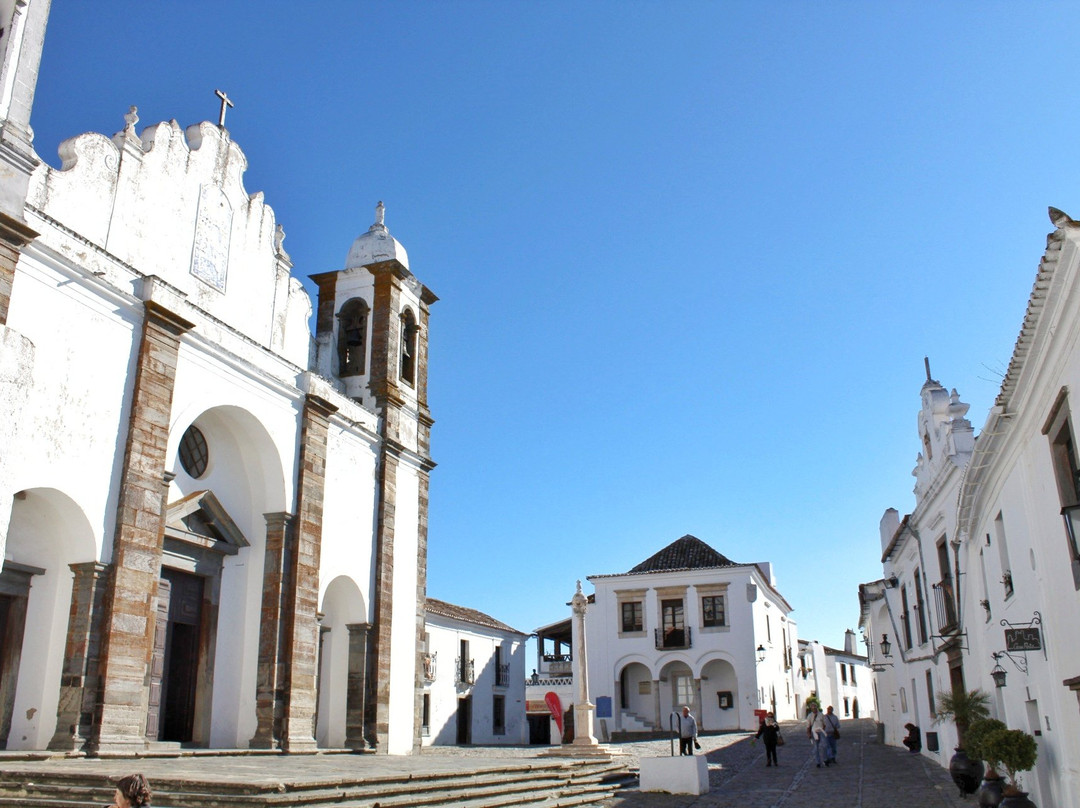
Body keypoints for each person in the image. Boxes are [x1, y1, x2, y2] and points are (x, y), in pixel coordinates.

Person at [806, 703, 827, 768]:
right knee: (816, 748)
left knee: (824, 746)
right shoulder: (809, 716)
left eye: (815, 707)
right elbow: (808, 726)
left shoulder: (821, 715)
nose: (814, 709)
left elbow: (824, 724)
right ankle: (818, 762)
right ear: (811, 709)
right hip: (814, 732)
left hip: (821, 731)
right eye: (813, 708)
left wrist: (823, 730)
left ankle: (825, 760)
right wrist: (809, 734)